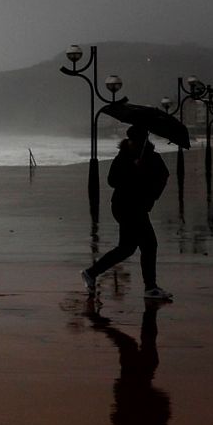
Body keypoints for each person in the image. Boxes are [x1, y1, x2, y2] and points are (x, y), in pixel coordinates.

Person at [82, 124, 173, 300]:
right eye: (133, 140)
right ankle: (150, 287)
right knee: (149, 244)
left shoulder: (151, 157)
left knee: (127, 248)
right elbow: (112, 180)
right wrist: (133, 170)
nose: (135, 143)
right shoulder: (123, 157)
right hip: (125, 207)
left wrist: (149, 188)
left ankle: (91, 273)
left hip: (137, 206)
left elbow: (163, 175)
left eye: (139, 139)